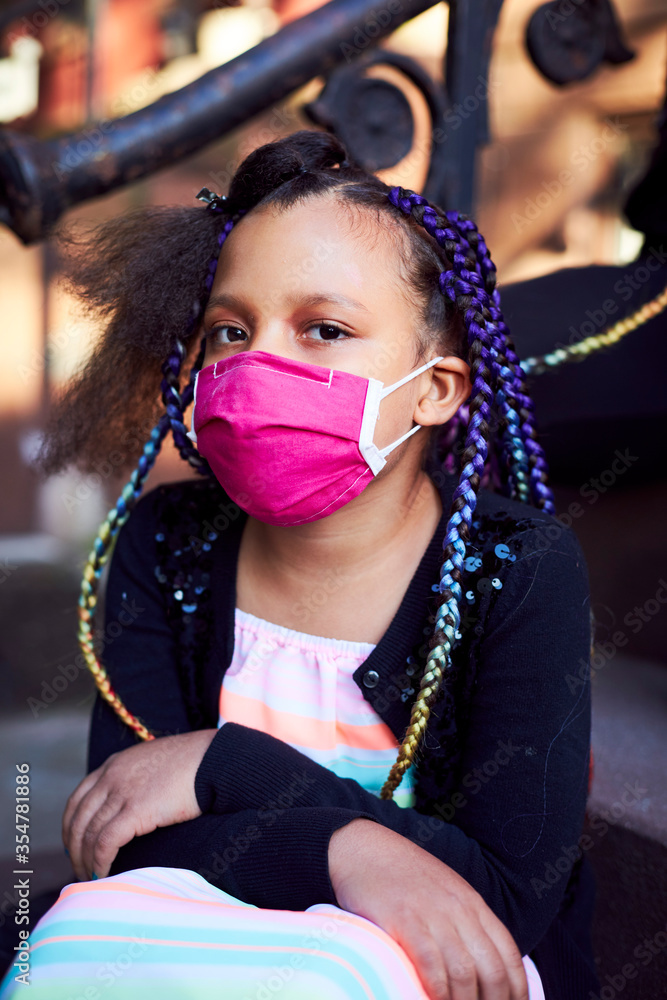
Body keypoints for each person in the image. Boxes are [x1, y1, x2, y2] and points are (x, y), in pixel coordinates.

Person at [0, 130, 598, 1000]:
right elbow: (118, 835)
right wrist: (350, 853)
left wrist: (224, 770)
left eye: (323, 328)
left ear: (434, 390)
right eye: (230, 329)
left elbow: (500, 897)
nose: (258, 364)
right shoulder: (165, 544)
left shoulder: (516, 570)